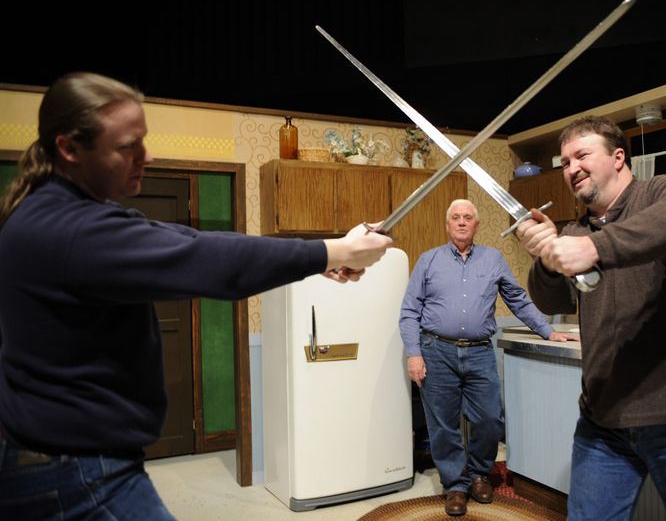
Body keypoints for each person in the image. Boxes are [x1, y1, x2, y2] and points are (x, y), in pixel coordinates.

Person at [0, 72, 392, 520]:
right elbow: (207, 258)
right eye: (128, 146)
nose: (146, 156)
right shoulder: (72, 230)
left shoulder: (57, 214)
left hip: (64, 461)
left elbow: (176, 238)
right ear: (70, 148)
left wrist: (319, 258)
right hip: (80, 472)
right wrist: (335, 250)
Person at [516, 115, 666, 521]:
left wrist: (595, 248)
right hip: (604, 421)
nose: (571, 168)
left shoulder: (661, 192)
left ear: (618, 157)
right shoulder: (575, 230)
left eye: (582, 155)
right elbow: (550, 301)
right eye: (564, 162)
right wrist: (547, 259)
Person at [399, 198, 577, 516]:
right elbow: (410, 312)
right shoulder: (428, 261)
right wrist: (414, 353)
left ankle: (480, 474)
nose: (462, 222)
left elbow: (518, 300)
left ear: (477, 225)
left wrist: (548, 332)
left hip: (480, 352)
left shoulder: (493, 259)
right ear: (447, 223)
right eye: (456, 217)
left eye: (468, 217)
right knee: (443, 425)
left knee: (489, 419)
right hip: (436, 351)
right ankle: (455, 484)